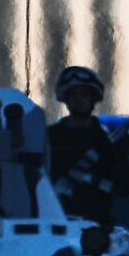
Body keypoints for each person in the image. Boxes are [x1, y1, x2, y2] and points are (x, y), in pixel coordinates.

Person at [46, 65, 117, 226]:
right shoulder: (50, 138)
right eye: (74, 95)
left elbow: (124, 186)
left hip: (99, 228)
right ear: (66, 99)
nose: (79, 101)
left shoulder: (107, 141)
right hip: (55, 222)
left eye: (84, 95)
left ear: (94, 99)